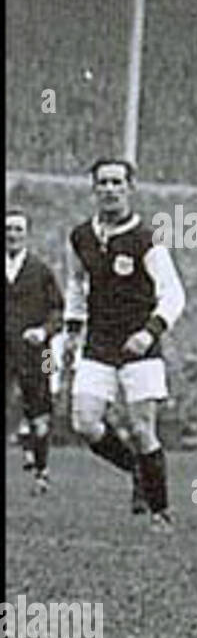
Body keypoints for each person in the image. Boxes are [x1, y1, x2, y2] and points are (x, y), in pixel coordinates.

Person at [63, 159, 186, 531]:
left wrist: (149, 332)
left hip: (139, 346)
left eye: (117, 182)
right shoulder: (80, 236)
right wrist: (71, 332)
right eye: (103, 182)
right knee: (84, 422)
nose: (110, 189)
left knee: (141, 428)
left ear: (130, 188)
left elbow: (174, 294)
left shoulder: (146, 239)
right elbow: (75, 284)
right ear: (94, 188)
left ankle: (160, 512)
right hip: (98, 343)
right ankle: (135, 469)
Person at [5, 207, 64, 494]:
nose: (12, 235)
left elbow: (58, 312)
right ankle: (23, 440)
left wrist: (43, 331)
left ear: (27, 234)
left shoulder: (41, 271)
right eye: (8, 229)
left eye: (18, 229)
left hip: (39, 353)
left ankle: (42, 472)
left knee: (41, 410)